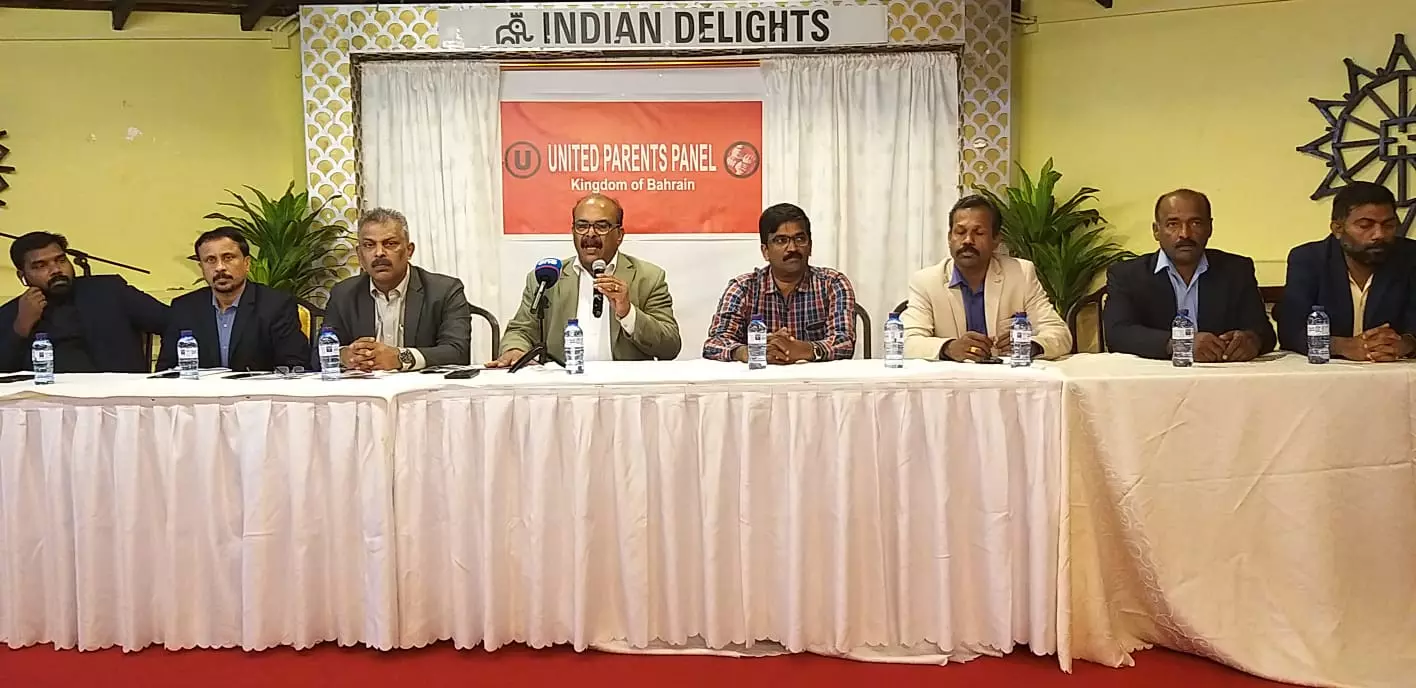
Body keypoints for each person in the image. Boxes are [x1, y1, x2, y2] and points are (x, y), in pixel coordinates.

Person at [490, 193, 681, 366]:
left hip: (624, 388)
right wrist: (515, 350)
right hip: (564, 386)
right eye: (582, 226)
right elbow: (520, 330)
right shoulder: (547, 278)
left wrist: (628, 313)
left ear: (619, 235)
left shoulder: (648, 278)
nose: (590, 234)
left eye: (601, 226)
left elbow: (670, 347)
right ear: (573, 231)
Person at [1104, 189, 1275, 361]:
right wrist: (1180, 344)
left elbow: (1263, 332)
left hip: (1222, 372)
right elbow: (1118, 334)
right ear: (1156, 230)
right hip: (1157, 374)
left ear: (1209, 228)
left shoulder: (1236, 270)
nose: (1185, 234)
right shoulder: (1127, 275)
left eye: (1195, 223)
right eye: (1173, 224)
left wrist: (1252, 341)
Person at [902, 195, 1071, 361]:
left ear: (996, 239)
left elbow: (1059, 334)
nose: (968, 240)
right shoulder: (927, 281)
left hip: (1007, 376)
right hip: (951, 377)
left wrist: (1031, 346)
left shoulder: (1021, 274)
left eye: (979, 233)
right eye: (960, 232)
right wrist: (948, 348)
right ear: (949, 238)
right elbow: (906, 341)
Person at [1277, 181, 1416, 361]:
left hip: (1393, 367)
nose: (1379, 234)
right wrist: (1342, 346)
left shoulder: (1410, 257)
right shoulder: (1309, 259)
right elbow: (1291, 332)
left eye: (1388, 225)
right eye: (1365, 226)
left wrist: (1405, 344)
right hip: (1330, 369)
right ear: (1338, 229)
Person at [320, 208, 472, 371]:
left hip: (421, 385)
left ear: (409, 250)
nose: (379, 253)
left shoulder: (444, 291)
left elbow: (458, 352)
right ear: (359, 254)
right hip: (364, 385)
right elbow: (317, 354)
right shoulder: (343, 294)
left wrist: (401, 358)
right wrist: (344, 355)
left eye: (390, 244)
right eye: (369, 245)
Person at [702, 203, 856, 363]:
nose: (792, 248)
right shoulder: (743, 288)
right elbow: (715, 344)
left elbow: (844, 342)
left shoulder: (832, 284)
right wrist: (748, 352)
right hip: (759, 377)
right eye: (781, 240)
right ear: (765, 251)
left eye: (800, 239)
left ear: (810, 246)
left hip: (816, 378)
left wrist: (806, 350)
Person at [0, 231, 168, 373]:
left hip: (121, 395)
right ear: (22, 276)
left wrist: (161, 374)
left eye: (61, 260)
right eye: (41, 266)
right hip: (46, 400)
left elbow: (172, 323)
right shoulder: (11, 314)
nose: (56, 270)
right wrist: (20, 328)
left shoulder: (110, 291)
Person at [156, 228, 308, 372]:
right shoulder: (184, 308)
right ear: (201, 267)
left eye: (228, 258)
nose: (220, 267)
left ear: (246, 263)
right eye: (210, 260)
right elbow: (166, 370)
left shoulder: (276, 305)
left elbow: (295, 365)